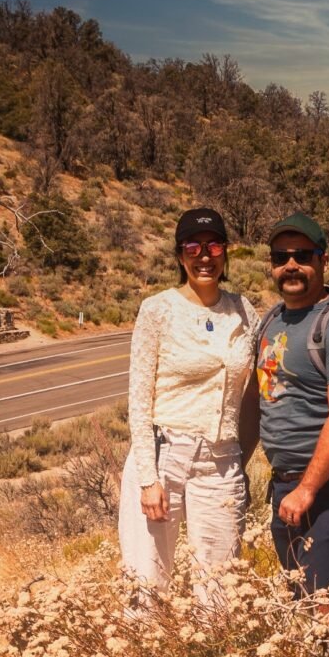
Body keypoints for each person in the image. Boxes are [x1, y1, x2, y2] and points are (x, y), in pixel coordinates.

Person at [118, 207, 259, 601]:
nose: (204, 255)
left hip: (221, 462)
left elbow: (259, 387)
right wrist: (149, 478)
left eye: (214, 245)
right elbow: (139, 398)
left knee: (219, 587)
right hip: (164, 458)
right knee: (147, 585)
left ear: (226, 252)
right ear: (180, 255)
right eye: (193, 246)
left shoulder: (244, 311)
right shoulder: (158, 309)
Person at [250, 212, 329, 597]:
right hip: (286, 485)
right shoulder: (273, 320)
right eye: (280, 256)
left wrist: (307, 489)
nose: (290, 264)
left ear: (323, 260)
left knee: (327, 599)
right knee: (299, 596)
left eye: (302, 255)